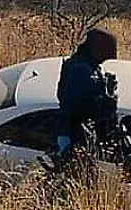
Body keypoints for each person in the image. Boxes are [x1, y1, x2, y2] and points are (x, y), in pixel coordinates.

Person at [51, 29, 119, 182]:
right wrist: (108, 98)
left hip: (73, 131)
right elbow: (77, 107)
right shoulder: (81, 71)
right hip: (75, 134)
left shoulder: (82, 64)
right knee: (82, 180)